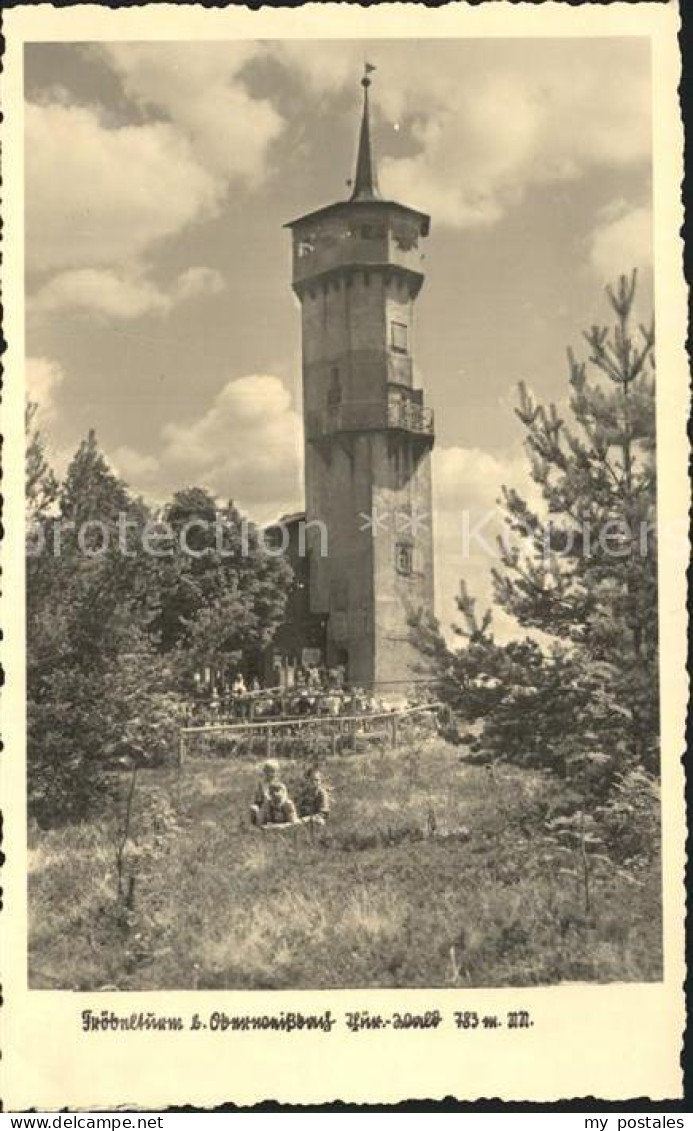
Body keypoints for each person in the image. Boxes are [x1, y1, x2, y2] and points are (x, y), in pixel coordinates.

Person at [249, 758, 280, 826]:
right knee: (262, 803)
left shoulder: (279, 784)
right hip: (263, 806)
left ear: (276, 773)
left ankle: (293, 821)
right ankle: (259, 823)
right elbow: (258, 800)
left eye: (273, 772)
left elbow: (283, 795)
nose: (271, 774)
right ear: (264, 772)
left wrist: (279, 797)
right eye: (268, 772)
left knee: (289, 803)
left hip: (276, 805)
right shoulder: (262, 784)